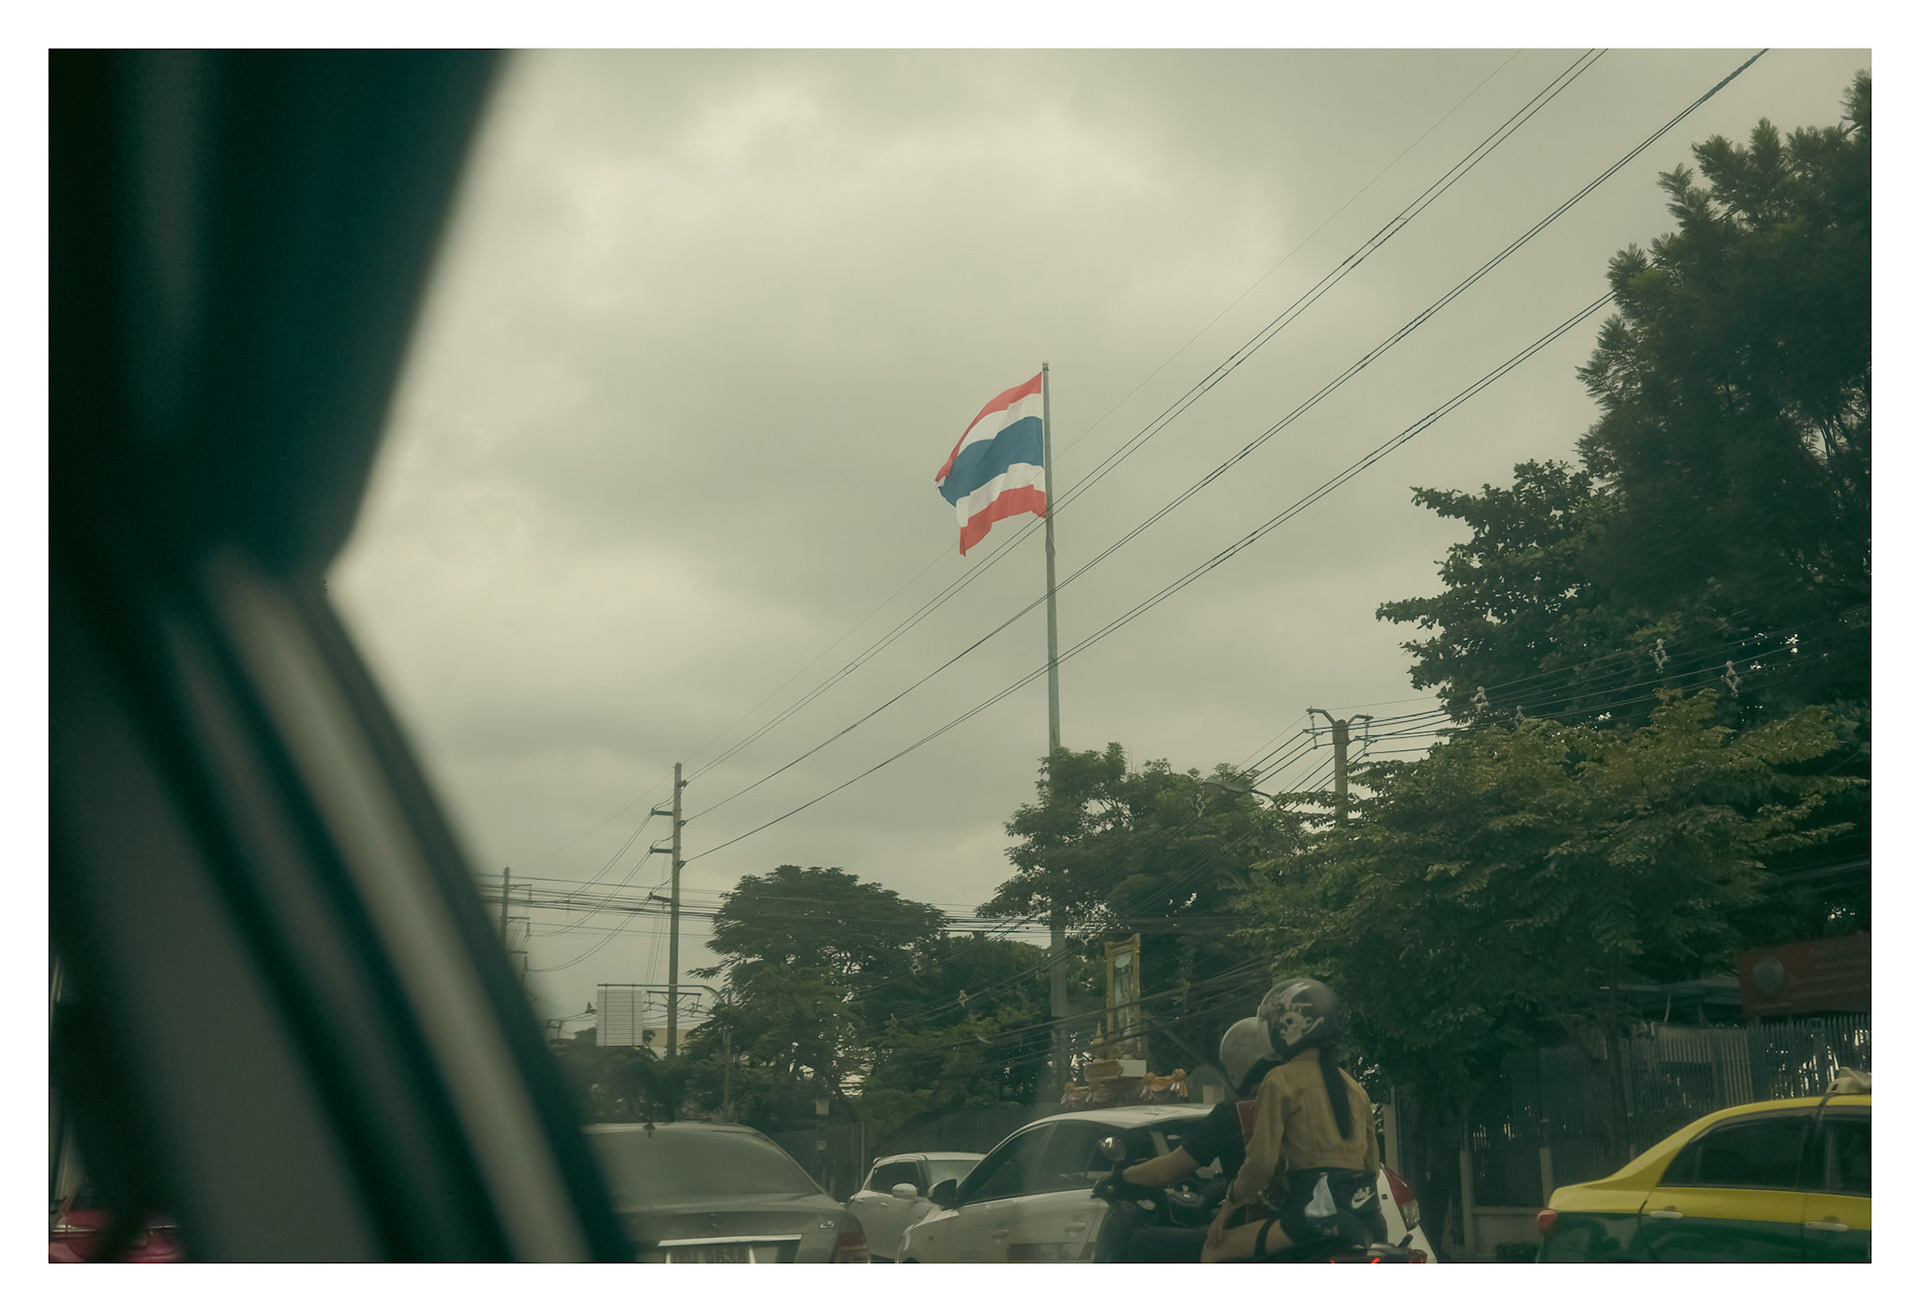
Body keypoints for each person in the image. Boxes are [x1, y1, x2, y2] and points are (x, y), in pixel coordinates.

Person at [1202, 978, 1386, 1263]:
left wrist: (1228, 1207)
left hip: (1314, 1216)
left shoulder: (1279, 1080)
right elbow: (1371, 1166)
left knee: (1213, 1249)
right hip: (1369, 1219)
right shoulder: (1354, 1088)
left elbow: (1260, 1164)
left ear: (1291, 1028)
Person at [1093, 1016, 1281, 1261]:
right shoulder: (1307, 1102)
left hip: (1255, 1229)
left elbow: (1168, 1171)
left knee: (1142, 1242)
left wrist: (1122, 1177)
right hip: (1311, 1220)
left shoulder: (1236, 1112)